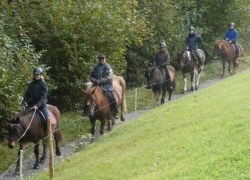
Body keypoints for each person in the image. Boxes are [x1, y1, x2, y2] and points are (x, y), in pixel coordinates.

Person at [90, 54, 118, 118]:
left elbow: (109, 77)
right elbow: (91, 77)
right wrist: (94, 80)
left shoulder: (108, 67)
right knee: (88, 94)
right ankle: (86, 111)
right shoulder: (95, 67)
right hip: (96, 85)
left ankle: (114, 112)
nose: (101, 60)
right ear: (98, 59)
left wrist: (100, 80)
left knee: (112, 97)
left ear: (105, 59)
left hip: (106, 85)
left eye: (103, 58)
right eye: (100, 58)